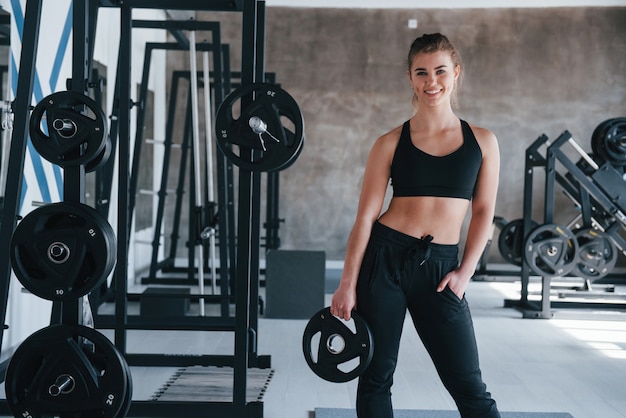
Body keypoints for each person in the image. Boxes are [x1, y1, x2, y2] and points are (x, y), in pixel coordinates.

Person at [330, 33, 501, 418]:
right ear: (410, 78)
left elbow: (484, 212)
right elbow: (364, 219)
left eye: (440, 71)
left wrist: (465, 273)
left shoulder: (484, 142)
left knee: (468, 384)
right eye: (421, 72)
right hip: (385, 261)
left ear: (456, 73)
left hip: (441, 269)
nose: (431, 81)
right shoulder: (389, 143)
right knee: (376, 375)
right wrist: (347, 283)